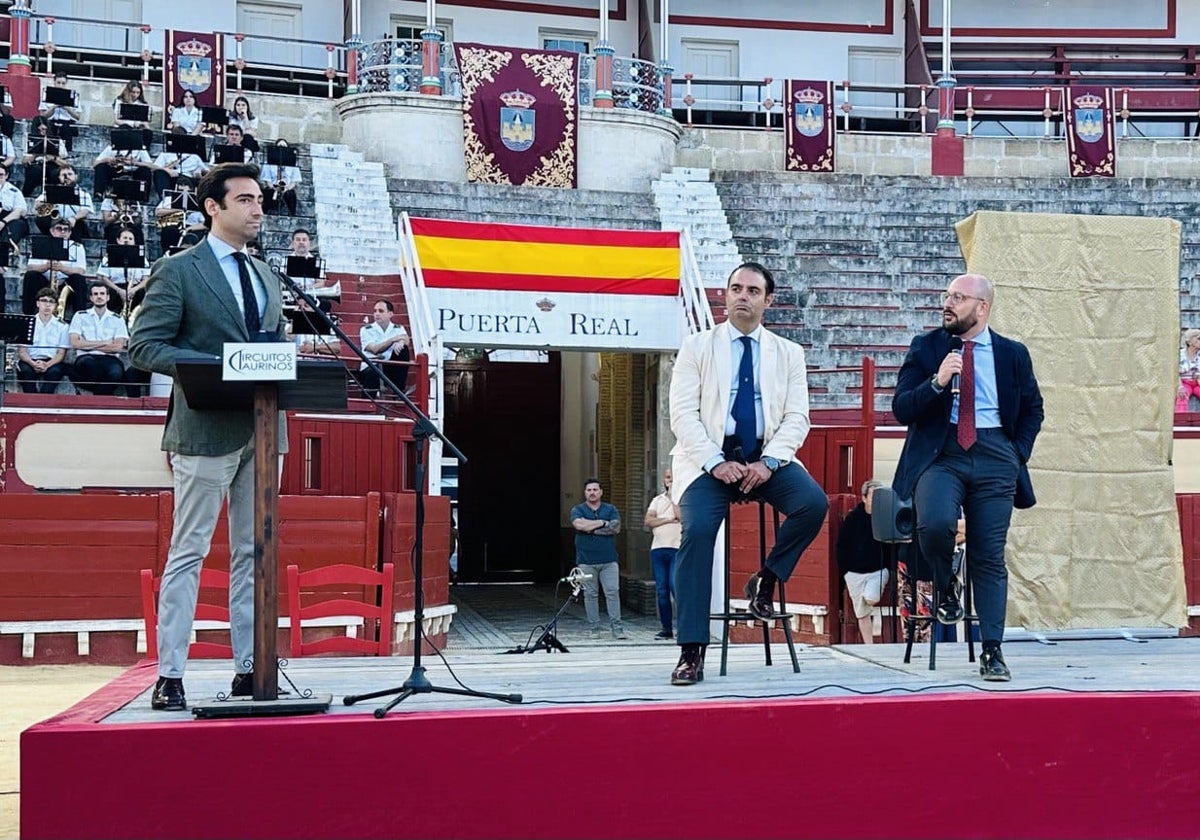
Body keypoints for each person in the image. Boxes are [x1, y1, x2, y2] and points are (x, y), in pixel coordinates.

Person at [128, 162, 288, 711]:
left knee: (254, 554)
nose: (257, 208)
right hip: (204, 428)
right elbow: (145, 346)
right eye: (244, 199)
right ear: (212, 207)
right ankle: (170, 672)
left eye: (260, 199)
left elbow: (274, 351)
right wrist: (219, 364)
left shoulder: (268, 276)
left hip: (265, 433)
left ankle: (250, 668)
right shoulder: (178, 270)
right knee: (189, 550)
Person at [667, 261, 829, 686]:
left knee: (813, 504)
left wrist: (769, 461)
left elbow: (797, 418)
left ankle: (766, 579)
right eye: (735, 288)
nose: (742, 296)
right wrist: (714, 462)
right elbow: (682, 415)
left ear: (767, 301)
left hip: (766, 460)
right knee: (698, 531)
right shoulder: (697, 347)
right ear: (725, 295)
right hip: (708, 460)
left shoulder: (788, 353)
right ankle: (691, 651)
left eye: (752, 291)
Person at [891, 273, 1044, 682]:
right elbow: (902, 409)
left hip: (996, 454)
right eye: (947, 295)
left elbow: (1034, 410)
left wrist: (1017, 454)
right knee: (935, 524)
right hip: (942, 453)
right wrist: (938, 382)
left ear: (982, 307)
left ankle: (992, 651)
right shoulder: (926, 348)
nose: (949, 302)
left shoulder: (1012, 354)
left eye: (959, 297)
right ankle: (946, 584)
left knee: (989, 555)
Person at [570, 479, 626, 639]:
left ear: (601, 492)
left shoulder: (610, 508)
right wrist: (602, 523)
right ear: (585, 493)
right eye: (589, 490)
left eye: (595, 489)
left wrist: (591, 529)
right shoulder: (577, 509)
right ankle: (594, 628)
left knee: (612, 592)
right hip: (586, 560)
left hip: (609, 560)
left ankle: (617, 629)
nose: (592, 492)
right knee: (590, 595)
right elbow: (579, 525)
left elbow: (616, 527)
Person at [836, 479, 888, 644]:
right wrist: (846, 571)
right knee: (862, 613)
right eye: (874, 496)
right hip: (854, 573)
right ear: (864, 498)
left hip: (878, 570)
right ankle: (869, 646)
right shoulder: (853, 519)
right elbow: (841, 545)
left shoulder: (886, 517)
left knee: (871, 598)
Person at [68, 283, 128, 396]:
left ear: (108, 297)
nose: (99, 297)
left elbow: (118, 347)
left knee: (116, 373)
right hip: (85, 358)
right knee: (91, 366)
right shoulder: (80, 316)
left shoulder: (118, 319)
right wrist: (105, 342)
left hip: (110, 359)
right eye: (95, 294)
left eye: (102, 293)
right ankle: (103, 399)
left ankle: (98, 397)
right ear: (91, 298)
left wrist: (87, 344)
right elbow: (75, 343)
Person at [22, 216, 88, 317]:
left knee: (79, 279)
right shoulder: (41, 244)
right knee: (31, 276)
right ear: (51, 231)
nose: (62, 232)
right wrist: (46, 266)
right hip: (44, 283)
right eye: (59, 228)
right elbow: (30, 267)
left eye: (66, 229)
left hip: (65, 283)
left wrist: (62, 268)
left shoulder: (77, 247)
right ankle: (28, 314)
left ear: (70, 233)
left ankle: (80, 316)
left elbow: (81, 270)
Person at [643, 469, 681, 640]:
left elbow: (680, 515)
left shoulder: (682, 499)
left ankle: (683, 627)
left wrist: (674, 495)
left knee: (676, 587)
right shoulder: (657, 500)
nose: (669, 481)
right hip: (658, 549)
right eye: (667, 478)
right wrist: (668, 520)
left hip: (677, 549)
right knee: (661, 590)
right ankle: (666, 628)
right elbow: (649, 520)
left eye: (672, 478)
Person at [15, 288, 71, 394]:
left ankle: (45, 401)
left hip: (52, 361)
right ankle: (31, 401)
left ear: (55, 306)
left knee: (55, 372)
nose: (47, 305)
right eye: (44, 301)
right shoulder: (26, 323)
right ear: (38, 303)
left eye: (51, 302)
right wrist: (33, 363)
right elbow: (22, 351)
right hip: (30, 360)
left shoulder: (62, 326)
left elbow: (61, 353)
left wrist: (47, 365)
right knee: (25, 371)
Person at [355, 298, 410, 397]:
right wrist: (393, 340)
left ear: (390, 314)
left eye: (381, 311)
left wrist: (401, 342)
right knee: (373, 372)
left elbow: (406, 339)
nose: (376, 314)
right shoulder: (366, 330)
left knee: (403, 350)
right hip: (371, 366)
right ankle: (368, 404)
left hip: (388, 367)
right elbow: (375, 349)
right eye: (375, 311)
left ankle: (399, 393)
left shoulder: (398, 328)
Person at [95, 227, 149, 316]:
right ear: (118, 240)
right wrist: (119, 290)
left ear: (134, 242)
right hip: (115, 287)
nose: (127, 241)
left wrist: (134, 290)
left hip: (135, 288)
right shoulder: (109, 256)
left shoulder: (141, 257)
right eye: (124, 238)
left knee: (143, 293)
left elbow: (146, 278)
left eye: (130, 239)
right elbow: (103, 277)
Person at [34, 163, 93, 241]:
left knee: (78, 227)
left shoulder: (84, 194)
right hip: (55, 221)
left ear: (76, 176)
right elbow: (37, 205)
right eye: (63, 175)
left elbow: (86, 210)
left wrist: (74, 218)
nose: (67, 177)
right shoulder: (52, 191)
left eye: (70, 174)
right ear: (59, 177)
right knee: (40, 219)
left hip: (73, 222)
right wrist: (48, 202)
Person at [20, 115, 69, 198]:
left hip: (52, 163)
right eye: (40, 130)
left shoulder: (56, 141)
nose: (43, 132)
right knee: (35, 171)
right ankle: (25, 195)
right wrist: (36, 154)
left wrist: (53, 158)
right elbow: (24, 162)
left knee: (55, 173)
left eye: (44, 129)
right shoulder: (29, 139)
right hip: (36, 164)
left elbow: (65, 163)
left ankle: (52, 198)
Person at [38, 71, 80, 152]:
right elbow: (42, 116)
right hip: (51, 122)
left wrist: (67, 107)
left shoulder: (73, 96)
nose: (60, 85)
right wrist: (54, 106)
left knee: (66, 130)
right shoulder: (46, 94)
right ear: (54, 82)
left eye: (63, 83)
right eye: (58, 82)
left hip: (66, 123)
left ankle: (67, 153)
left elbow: (77, 117)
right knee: (49, 129)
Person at [260, 138, 300, 216]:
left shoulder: (293, 164)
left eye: (284, 146)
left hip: (287, 187)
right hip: (273, 186)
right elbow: (267, 181)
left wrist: (287, 188)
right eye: (279, 146)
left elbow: (294, 181)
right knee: (267, 193)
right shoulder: (268, 163)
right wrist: (274, 187)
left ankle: (292, 215)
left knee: (291, 194)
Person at [0, 164, 32, 247]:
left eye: (1, 175)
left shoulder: (14, 191)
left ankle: (4, 248)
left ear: (6, 176)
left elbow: (20, 211)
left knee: (18, 224)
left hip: (9, 219)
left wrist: (3, 222)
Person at [1177, 329, 1200, 412]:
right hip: (1185, 382)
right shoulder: (1180, 354)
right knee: (1182, 394)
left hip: (1198, 382)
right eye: (1198, 338)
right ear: (1189, 342)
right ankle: (1181, 422)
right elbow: (1175, 374)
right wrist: (1180, 386)